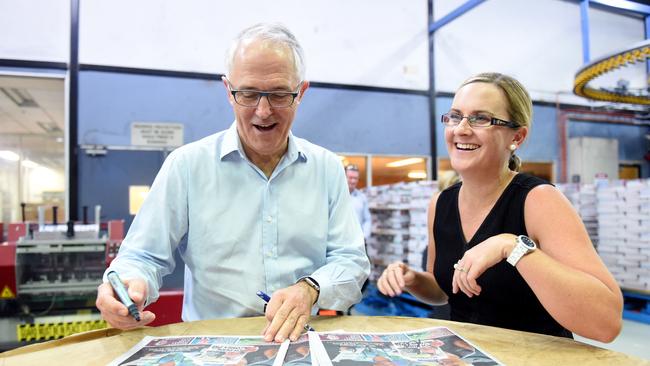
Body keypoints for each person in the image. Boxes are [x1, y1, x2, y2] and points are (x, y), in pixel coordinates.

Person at [95, 23, 370, 343]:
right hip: (213, 349)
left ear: (301, 93)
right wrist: (128, 285)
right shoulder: (187, 166)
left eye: (280, 94)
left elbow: (351, 261)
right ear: (228, 91)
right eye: (249, 94)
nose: (263, 111)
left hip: (299, 344)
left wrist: (310, 289)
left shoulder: (326, 169)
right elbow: (143, 256)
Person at [377, 72, 622, 342]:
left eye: (481, 118)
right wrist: (413, 279)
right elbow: (445, 290)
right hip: (468, 354)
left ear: (516, 137)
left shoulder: (538, 200)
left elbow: (607, 322)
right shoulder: (441, 203)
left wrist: (513, 247)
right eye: (455, 116)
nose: (461, 129)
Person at [345, 164, 372, 240]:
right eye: (350, 178)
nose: (353, 181)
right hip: (338, 242)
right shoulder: (334, 195)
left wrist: (364, 236)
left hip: (357, 242)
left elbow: (367, 219)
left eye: (355, 178)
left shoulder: (362, 197)